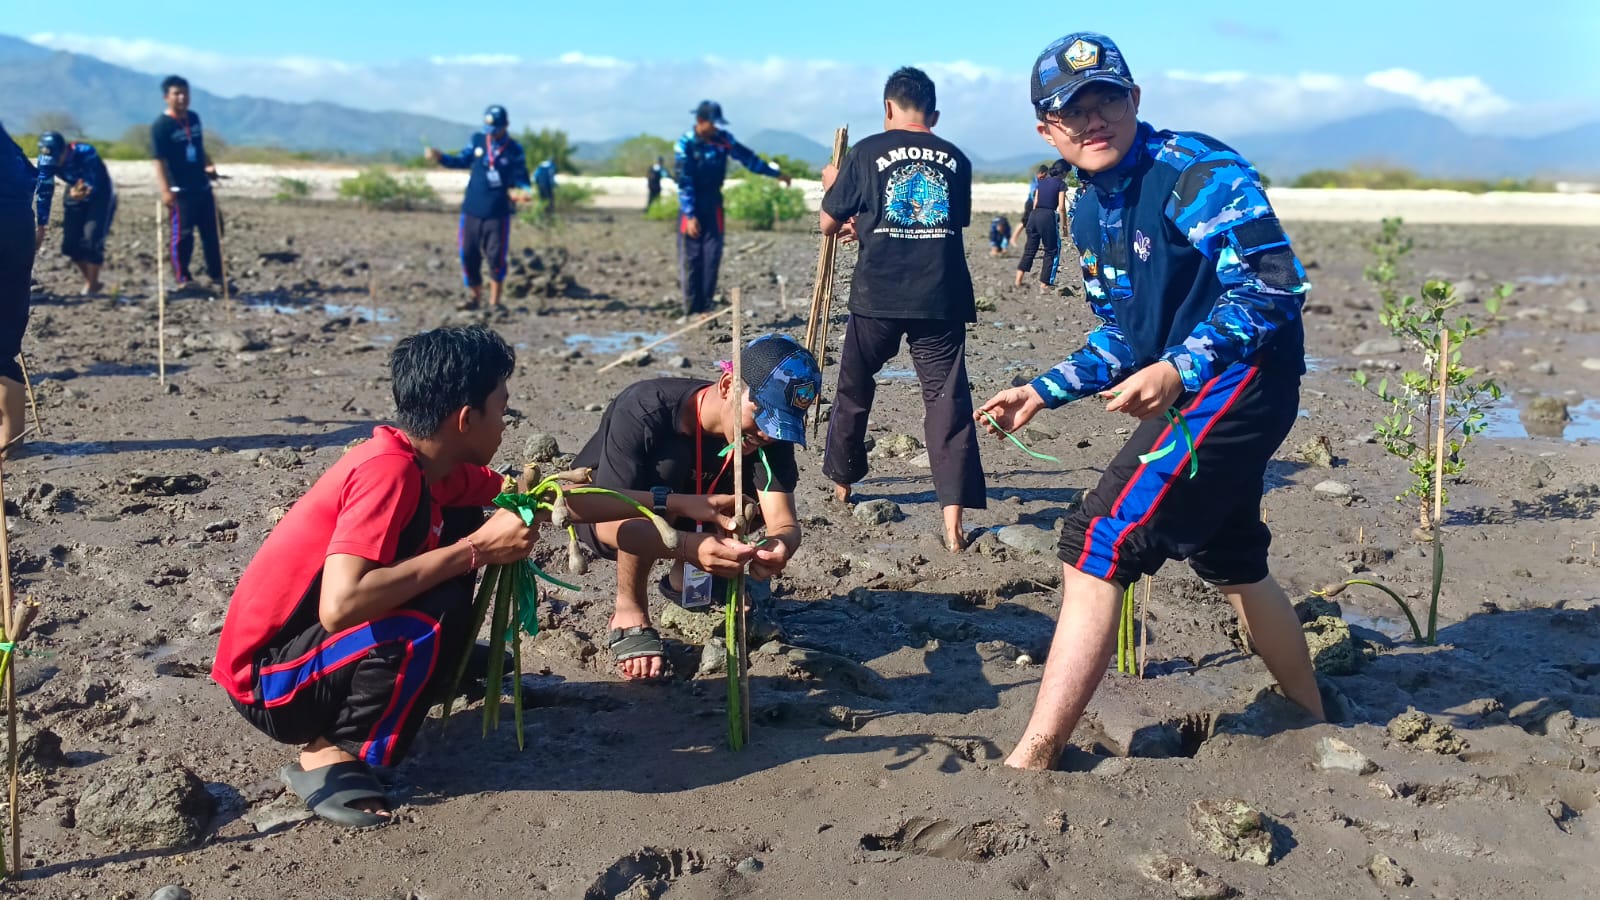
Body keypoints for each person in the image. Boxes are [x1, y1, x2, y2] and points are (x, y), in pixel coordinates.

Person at [211, 326, 739, 827]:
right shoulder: (386, 473)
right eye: (502, 409)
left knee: (460, 537)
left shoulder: (435, 466)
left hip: (306, 653)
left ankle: (438, 667)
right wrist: (477, 550)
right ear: (467, 418)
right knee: (429, 614)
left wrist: (676, 502)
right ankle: (330, 752)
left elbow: (549, 500)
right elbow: (340, 605)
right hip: (268, 684)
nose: (506, 424)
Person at [975, 32, 1324, 771]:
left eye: (1108, 98)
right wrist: (1043, 389)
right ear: (1048, 130)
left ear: (1135, 100)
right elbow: (1123, 335)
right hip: (1204, 387)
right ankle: (1314, 716)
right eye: (1073, 110)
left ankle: (1033, 756)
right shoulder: (1087, 206)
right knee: (1231, 560)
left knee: (1095, 541)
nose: (1093, 119)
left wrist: (1181, 366)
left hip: (1243, 381)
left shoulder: (1196, 171)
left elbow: (1274, 285)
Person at [571, 334, 819, 680]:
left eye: (779, 425)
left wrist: (779, 546)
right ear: (728, 384)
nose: (768, 434)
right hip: (614, 512)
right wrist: (690, 545)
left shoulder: (768, 434)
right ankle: (630, 607)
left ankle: (687, 579)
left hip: (705, 513)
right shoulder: (645, 410)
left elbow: (783, 523)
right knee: (657, 491)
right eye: (762, 418)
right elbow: (610, 522)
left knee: (745, 505)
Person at [819, 66, 987, 554]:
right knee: (947, 400)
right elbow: (943, 222)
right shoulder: (957, 158)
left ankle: (842, 483)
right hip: (942, 296)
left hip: (879, 295)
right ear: (933, 114)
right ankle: (953, 520)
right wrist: (866, 223)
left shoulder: (866, 150)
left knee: (854, 387)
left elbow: (828, 223)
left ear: (887, 108)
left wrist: (836, 185)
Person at [673, 101, 791, 318]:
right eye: (712, 123)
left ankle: (705, 308)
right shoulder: (685, 144)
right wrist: (690, 215)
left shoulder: (723, 140)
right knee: (692, 257)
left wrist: (776, 174)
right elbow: (684, 181)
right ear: (700, 121)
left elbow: (748, 159)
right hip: (692, 201)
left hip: (713, 201)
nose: (715, 128)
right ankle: (690, 309)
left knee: (712, 254)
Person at [425, 105, 533, 311]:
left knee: (495, 256)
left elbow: (523, 180)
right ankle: (474, 298)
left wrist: (523, 192)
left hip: (498, 212)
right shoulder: (477, 140)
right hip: (472, 208)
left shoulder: (514, 149)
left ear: (506, 125)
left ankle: (495, 303)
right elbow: (460, 160)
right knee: (468, 253)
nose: (491, 133)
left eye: (496, 129)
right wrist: (440, 157)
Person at [151, 75, 224, 293]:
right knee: (182, 236)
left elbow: (199, 147)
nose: (182, 98)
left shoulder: (193, 118)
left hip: (201, 186)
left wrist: (209, 165)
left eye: (185, 93)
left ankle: (217, 276)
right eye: (177, 93)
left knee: (213, 232)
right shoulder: (161, 126)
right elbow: (159, 160)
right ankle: (183, 278)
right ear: (166, 97)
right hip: (179, 190)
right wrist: (165, 190)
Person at [34, 131, 117, 296]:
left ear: (65, 150)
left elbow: (94, 181)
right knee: (70, 245)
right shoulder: (46, 160)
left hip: (100, 193)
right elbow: (44, 190)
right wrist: (41, 225)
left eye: (57, 159)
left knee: (92, 238)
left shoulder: (86, 152)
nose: (55, 164)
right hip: (73, 190)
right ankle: (92, 281)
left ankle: (92, 285)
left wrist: (84, 191)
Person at [1, 121, 36, 457]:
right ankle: (12, 440)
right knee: (6, 333)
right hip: (19, 223)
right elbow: (32, 175)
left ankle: (8, 444)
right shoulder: (6, 141)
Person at [1015, 160, 1067, 292]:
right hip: (1047, 216)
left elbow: (1036, 201)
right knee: (1052, 249)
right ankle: (1045, 282)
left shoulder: (1041, 182)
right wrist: (1064, 227)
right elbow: (1061, 207)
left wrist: (1034, 216)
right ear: (1064, 172)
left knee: (1030, 249)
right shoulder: (1061, 184)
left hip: (1034, 215)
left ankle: (1018, 280)